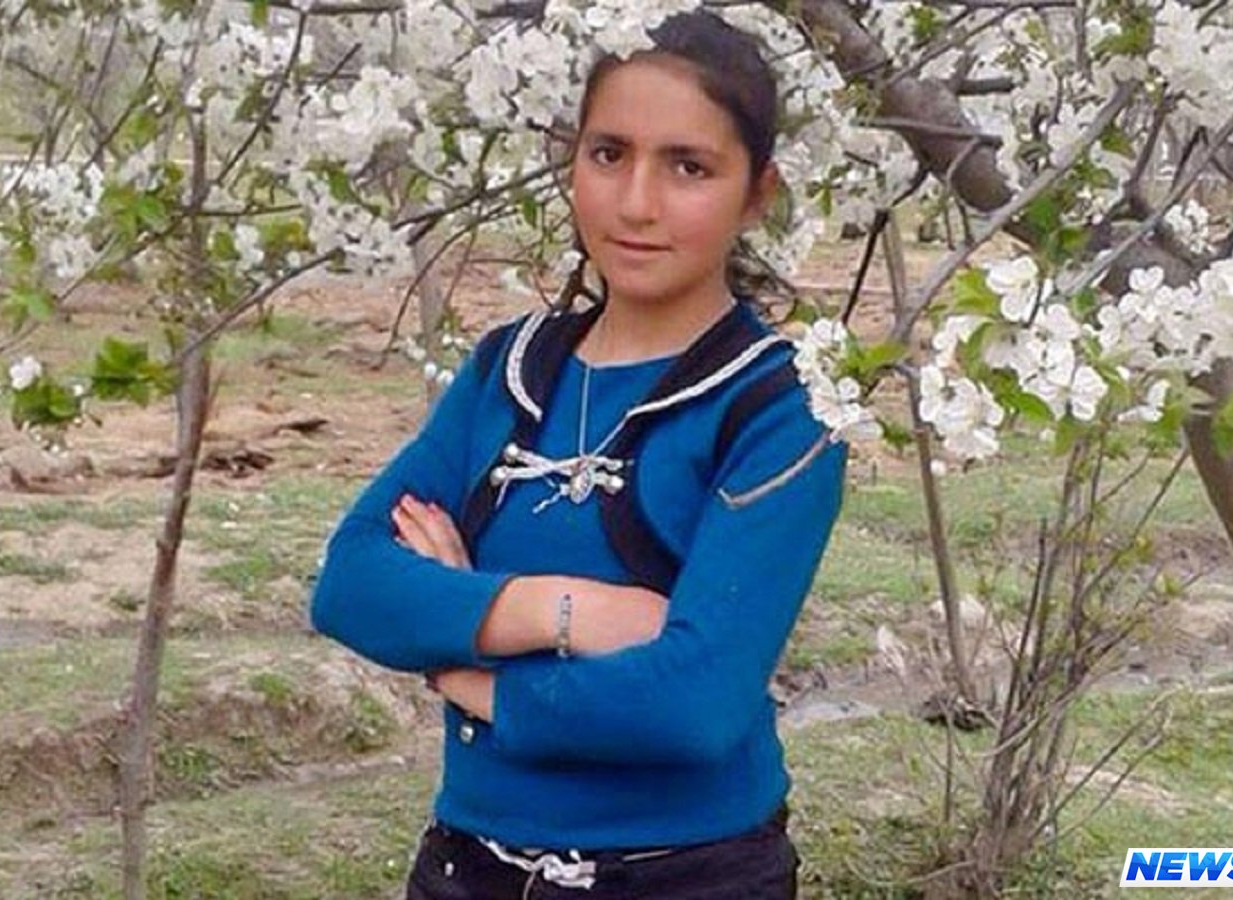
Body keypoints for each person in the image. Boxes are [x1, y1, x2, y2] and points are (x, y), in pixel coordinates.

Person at [310, 11, 848, 898]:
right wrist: (561, 610)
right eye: (608, 154)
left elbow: (695, 703)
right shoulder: (508, 369)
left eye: (688, 167)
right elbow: (351, 584)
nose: (635, 203)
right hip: (468, 868)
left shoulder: (783, 408)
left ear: (757, 193)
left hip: (687, 877)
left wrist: (467, 673)